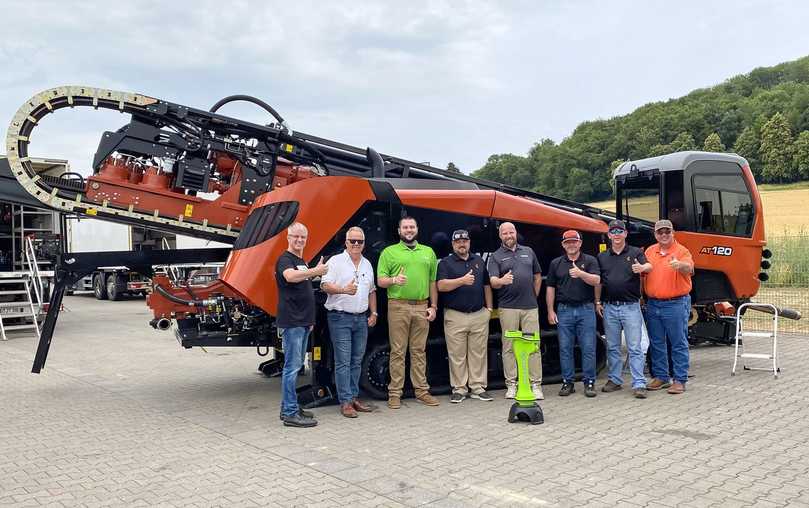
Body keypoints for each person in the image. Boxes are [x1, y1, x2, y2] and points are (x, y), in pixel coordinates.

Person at [377, 216, 440, 409]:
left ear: (417, 229)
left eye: (412, 226)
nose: (409, 230)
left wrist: (433, 306)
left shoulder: (428, 252)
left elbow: (432, 282)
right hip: (398, 305)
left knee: (419, 351)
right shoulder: (389, 252)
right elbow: (380, 281)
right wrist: (395, 280)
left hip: (422, 306)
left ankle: (421, 391)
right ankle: (395, 393)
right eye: (405, 227)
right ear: (399, 231)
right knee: (398, 351)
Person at [320, 226, 378, 418]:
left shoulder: (367, 264)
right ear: (345, 242)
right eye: (352, 241)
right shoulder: (335, 262)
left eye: (359, 242)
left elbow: (371, 291)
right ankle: (345, 402)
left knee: (356, 361)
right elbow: (325, 285)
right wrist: (343, 290)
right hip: (340, 318)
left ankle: (353, 397)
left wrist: (374, 313)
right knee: (343, 362)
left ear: (363, 244)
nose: (355, 244)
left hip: (361, 319)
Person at [275, 222, 328, 428]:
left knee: (295, 366)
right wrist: (315, 270)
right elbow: (290, 276)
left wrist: (310, 321)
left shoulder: (299, 260)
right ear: (288, 238)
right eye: (295, 237)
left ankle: (289, 407)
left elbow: (302, 284)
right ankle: (290, 413)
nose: (299, 240)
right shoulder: (285, 260)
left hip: (303, 321)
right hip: (293, 321)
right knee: (292, 367)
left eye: (302, 237)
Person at [595, 219, 653, 399]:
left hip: (630, 307)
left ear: (625, 234)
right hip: (610, 307)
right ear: (609, 235)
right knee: (612, 346)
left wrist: (642, 267)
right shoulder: (602, 256)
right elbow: (599, 281)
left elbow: (649, 267)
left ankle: (639, 383)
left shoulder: (636, 252)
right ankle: (615, 380)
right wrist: (597, 302)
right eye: (613, 232)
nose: (617, 234)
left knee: (634, 346)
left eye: (620, 231)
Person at [488, 222, 544, 400]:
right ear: (500, 236)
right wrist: (502, 280)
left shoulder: (528, 251)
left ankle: (536, 385)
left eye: (511, 232)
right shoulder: (496, 256)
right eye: (504, 233)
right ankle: (511, 385)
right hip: (508, 308)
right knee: (509, 347)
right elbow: (493, 282)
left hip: (530, 307)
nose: (508, 235)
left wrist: (534, 295)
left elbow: (537, 275)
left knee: (533, 346)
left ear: (515, 233)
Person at [437, 229, 494, 403]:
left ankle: (477, 387)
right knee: (457, 355)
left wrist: (489, 309)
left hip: (478, 314)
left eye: (465, 241)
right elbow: (441, 286)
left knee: (478, 353)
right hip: (456, 316)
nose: (462, 244)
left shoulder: (478, 260)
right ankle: (459, 389)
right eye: (458, 242)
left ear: (469, 242)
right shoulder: (445, 263)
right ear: (453, 244)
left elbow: (486, 285)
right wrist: (461, 280)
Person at [546, 230, 601, 398]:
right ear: (563, 244)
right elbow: (550, 288)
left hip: (586, 309)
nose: (571, 245)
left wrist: (581, 274)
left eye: (574, 242)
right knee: (565, 348)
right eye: (567, 242)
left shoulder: (590, 260)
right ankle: (567, 382)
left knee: (589, 347)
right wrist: (550, 310)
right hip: (564, 310)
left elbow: (597, 280)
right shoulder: (556, 263)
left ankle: (589, 382)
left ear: (580, 243)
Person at [643, 219, 694, 395]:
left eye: (667, 231)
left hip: (675, 303)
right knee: (657, 342)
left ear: (673, 233)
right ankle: (661, 376)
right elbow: (643, 272)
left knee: (678, 342)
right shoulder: (650, 251)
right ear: (655, 234)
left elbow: (690, 269)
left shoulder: (682, 251)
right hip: (653, 303)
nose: (664, 235)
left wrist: (680, 265)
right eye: (660, 232)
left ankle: (680, 379)